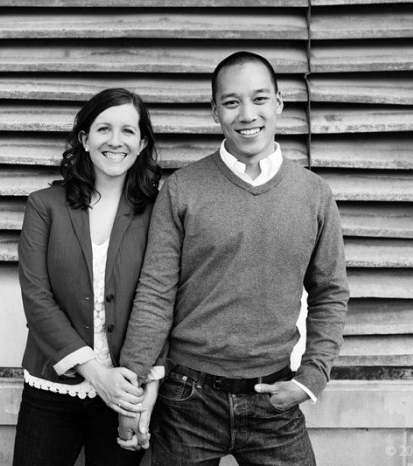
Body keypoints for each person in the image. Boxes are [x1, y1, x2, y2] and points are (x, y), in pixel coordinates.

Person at [117, 52, 349, 465]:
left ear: (279, 103)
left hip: (273, 399)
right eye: (231, 102)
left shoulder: (314, 194)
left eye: (259, 99)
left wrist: (312, 378)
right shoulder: (182, 189)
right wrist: (132, 393)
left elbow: (330, 293)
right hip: (186, 398)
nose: (247, 114)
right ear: (215, 111)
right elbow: (155, 294)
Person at [13, 88, 163, 465]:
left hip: (127, 389)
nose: (115, 141)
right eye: (104, 129)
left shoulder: (158, 213)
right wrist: (96, 375)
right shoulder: (44, 206)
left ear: (142, 143)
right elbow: (36, 299)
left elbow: (163, 300)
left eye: (128, 131)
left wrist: (149, 387)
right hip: (51, 387)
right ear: (84, 139)